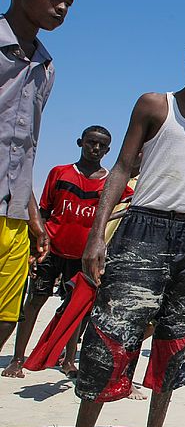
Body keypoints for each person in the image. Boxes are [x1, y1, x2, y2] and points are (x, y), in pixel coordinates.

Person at [47, 30, 185, 427]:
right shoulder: (155, 105)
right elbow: (122, 166)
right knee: (111, 335)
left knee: (173, 343)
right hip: (144, 227)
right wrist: (96, 234)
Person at [0, 0, 78, 368]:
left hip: (12, 212)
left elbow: (23, 147)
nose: (62, 7)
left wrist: (33, 213)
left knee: (6, 316)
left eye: (68, 2)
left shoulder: (46, 67)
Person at [5, 126, 123, 379]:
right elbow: (44, 211)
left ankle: (69, 360)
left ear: (108, 150)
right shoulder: (60, 173)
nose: (96, 149)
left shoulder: (111, 182)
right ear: (80, 142)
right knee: (35, 301)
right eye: (91, 143)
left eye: (102, 146)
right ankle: (17, 358)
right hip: (52, 249)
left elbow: (130, 205)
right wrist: (35, 246)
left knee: (75, 308)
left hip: (84, 256)